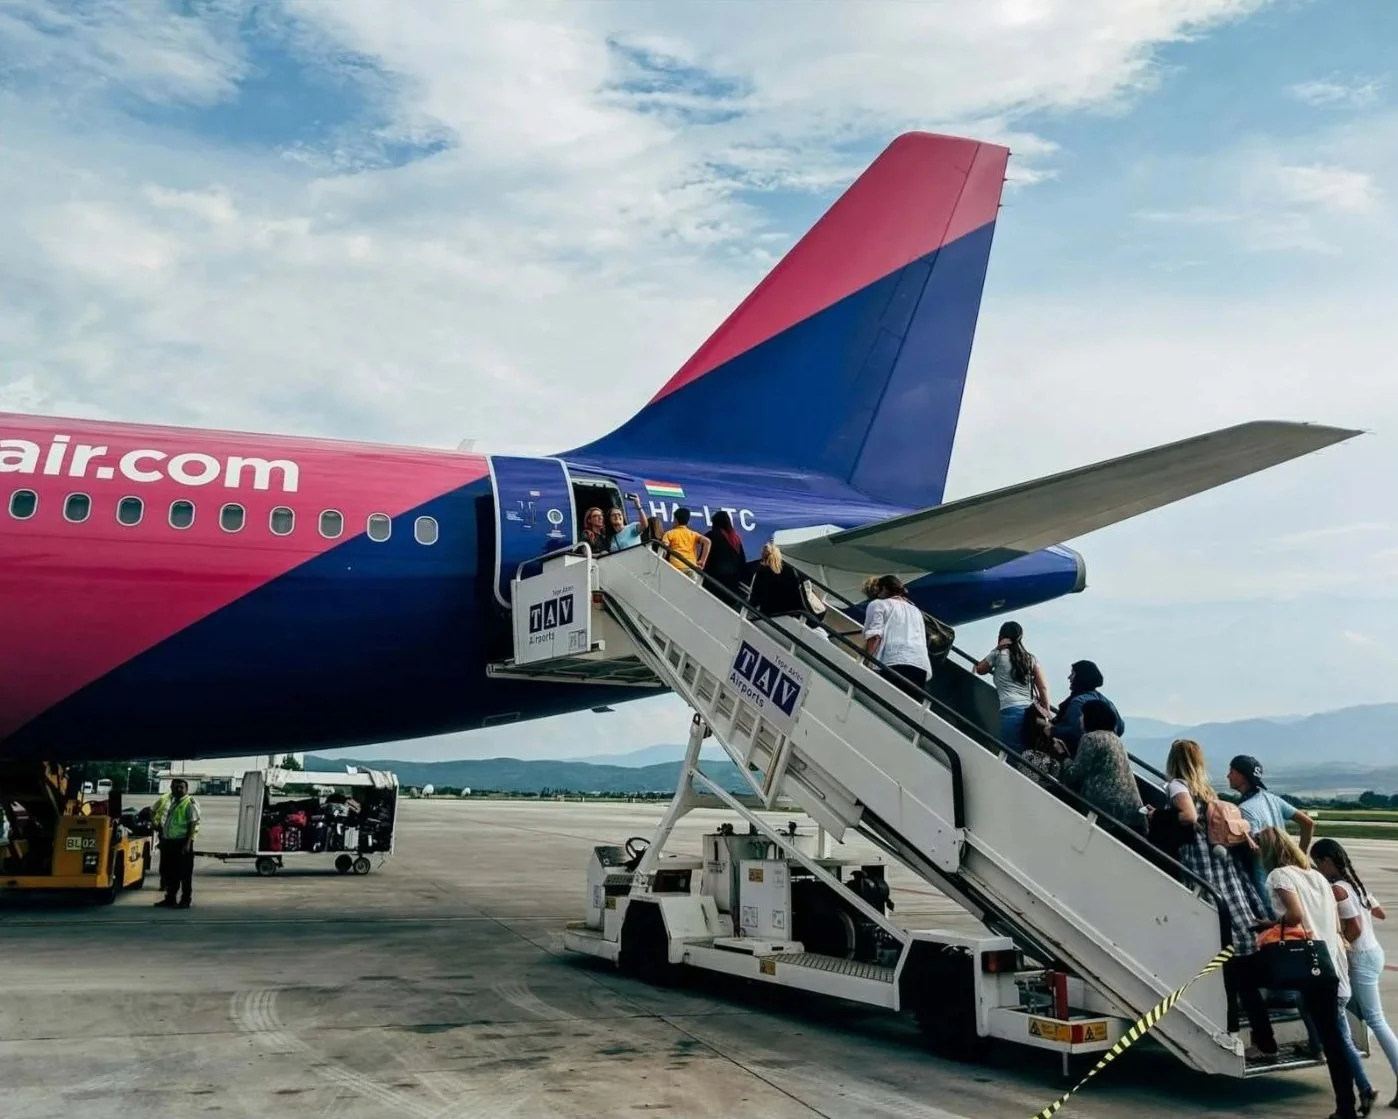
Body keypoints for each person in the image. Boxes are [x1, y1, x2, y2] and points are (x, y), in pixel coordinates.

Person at [1152, 739, 1276, 1058]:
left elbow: (1188, 817)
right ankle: (1264, 1038)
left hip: (1203, 873)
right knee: (1241, 965)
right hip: (1227, 875)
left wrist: (1158, 816)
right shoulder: (1208, 790)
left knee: (1224, 963)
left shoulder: (1178, 785)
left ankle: (1250, 1036)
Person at [1256, 826, 1359, 1119]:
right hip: (1329, 962)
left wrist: (1271, 926)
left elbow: (1296, 915)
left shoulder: (1279, 875)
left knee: (1331, 1037)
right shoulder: (1317, 876)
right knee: (1335, 1039)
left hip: (1307, 961)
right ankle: (1346, 1104)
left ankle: (1347, 1106)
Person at [1314, 837, 1398, 1112]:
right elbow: (1380, 914)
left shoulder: (1338, 889)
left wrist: (1340, 942)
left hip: (1360, 957)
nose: (1318, 868)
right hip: (1374, 953)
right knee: (1360, 1018)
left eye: (1318, 863)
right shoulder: (1355, 884)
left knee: (1375, 1019)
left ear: (1327, 861)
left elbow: (1356, 927)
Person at [1060, 699, 1146, 834]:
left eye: (1082, 715)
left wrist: (1063, 757)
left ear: (1091, 717)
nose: (1079, 719)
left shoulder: (1090, 738)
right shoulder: (1115, 738)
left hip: (1105, 813)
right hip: (1131, 811)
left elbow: (1074, 775)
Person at [973, 621, 1050, 750]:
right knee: (1028, 754)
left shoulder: (997, 655)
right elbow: (1043, 688)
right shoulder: (1030, 659)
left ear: (1000, 637)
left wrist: (996, 648)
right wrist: (1046, 711)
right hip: (1031, 714)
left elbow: (980, 669)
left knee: (1011, 756)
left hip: (1010, 712)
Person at [861, 574, 932, 695]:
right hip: (920, 665)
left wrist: (865, 660)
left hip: (894, 661)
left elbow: (875, 636)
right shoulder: (915, 610)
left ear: (882, 589)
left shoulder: (878, 604)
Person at [1230, 754, 1315, 853]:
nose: (1228, 776)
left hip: (1263, 868)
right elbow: (1308, 823)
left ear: (1243, 777)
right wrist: (1301, 855)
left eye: (1231, 772)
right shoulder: (1274, 799)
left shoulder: (1244, 808)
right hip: (1285, 864)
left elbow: (1255, 849)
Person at [1050, 660, 1124, 754]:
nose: (1069, 678)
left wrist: (1053, 730)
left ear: (1080, 677)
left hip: (1078, 754)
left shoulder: (1078, 702)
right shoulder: (1106, 702)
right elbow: (1120, 727)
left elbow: (1075, 731)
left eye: (1073, 674)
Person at [154, 778, 200, 909]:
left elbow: (193, 823)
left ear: (186, 789)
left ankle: (185, 900)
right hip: (170, 842)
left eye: (181, 787)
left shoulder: (189, 803)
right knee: (170, 872)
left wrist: (187, 844)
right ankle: (170, 898)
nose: (178, 790)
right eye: (175, 787)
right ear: (171, 788)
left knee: (184, 874)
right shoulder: (174, 802)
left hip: (182, 843)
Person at [702, 510, 748, 599]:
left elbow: (704, 557)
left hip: (714, 580)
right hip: (732, 583)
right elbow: (742, 560)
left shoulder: (711, 535)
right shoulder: (735, 539)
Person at [661, 507, 709, 575]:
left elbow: (664, 549)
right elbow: (707, 542)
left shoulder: (669, 533)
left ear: (675, 520)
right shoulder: (693, 534)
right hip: (691, 567)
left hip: (676, 566)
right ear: (688, 521)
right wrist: (702, 560)